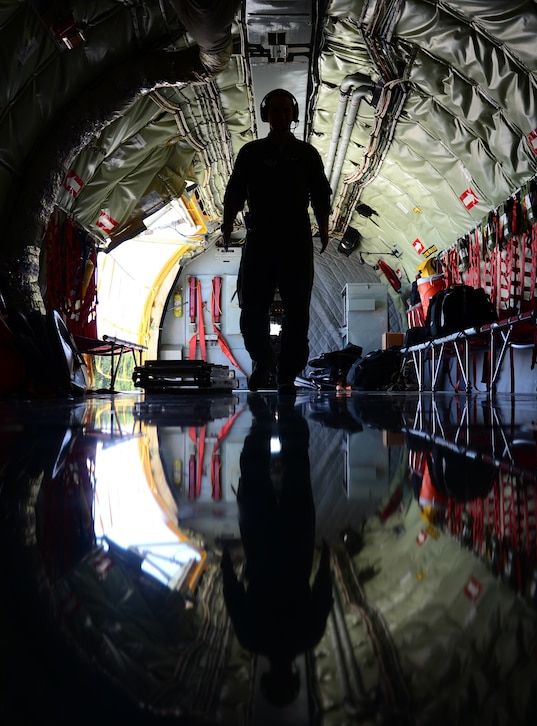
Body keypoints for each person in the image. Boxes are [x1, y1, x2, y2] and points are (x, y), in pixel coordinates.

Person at [221, 395, 332, 708]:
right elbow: (232, 593)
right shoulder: (251, 638)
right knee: (253, 470)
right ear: (268, 676)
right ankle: (263, 420)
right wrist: (227, 560)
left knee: (297, 466)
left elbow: (323, 593)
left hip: (297, 542)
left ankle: (287, 414)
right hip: (260, 543)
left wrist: (324, 557)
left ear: (293, 674)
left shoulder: (308, 637)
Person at [221, 88, 332, 393]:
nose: (281, 116)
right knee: (252, 308)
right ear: (266, 115)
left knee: (298, 310)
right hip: (261, 239)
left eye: (286, 111)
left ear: (294, 115)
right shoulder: (251, 153)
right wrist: (227, 225)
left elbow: (321, 196)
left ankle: (287, 374)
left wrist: (323, 228)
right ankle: (263, 359)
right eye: (275, 111)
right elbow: (235, 192)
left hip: (296, 240)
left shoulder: (308, 154)